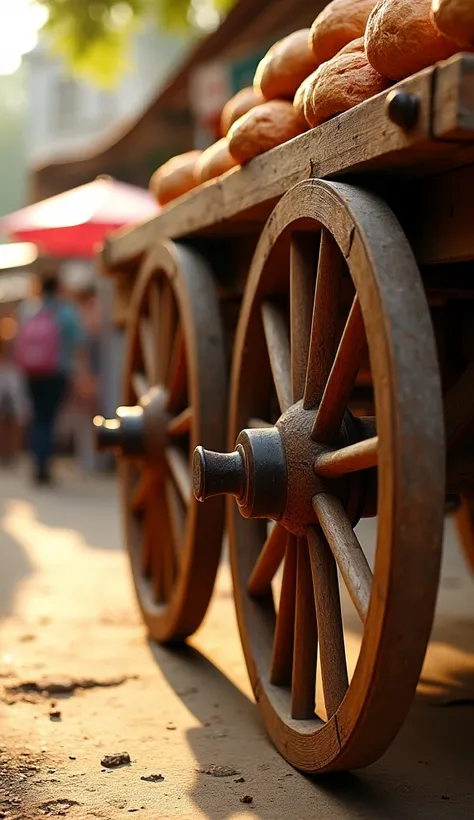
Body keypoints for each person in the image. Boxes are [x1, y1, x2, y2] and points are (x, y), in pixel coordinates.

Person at [15, 273, 86, 484]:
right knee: (49, 418)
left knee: (38, 417)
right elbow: (78, 344)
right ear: (58, 288)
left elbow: (17, 342)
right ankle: (45, 466)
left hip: (31, 372)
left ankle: (38, 463)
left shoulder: (29, 310)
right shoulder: (66, 313)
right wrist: (83, 374)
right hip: (56, 372)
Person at [0, 334, 29, 465]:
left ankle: (11, 453)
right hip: (9, 400)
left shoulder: (18, 368)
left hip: (14, 401)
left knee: (14, 425)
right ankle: (6, 453)